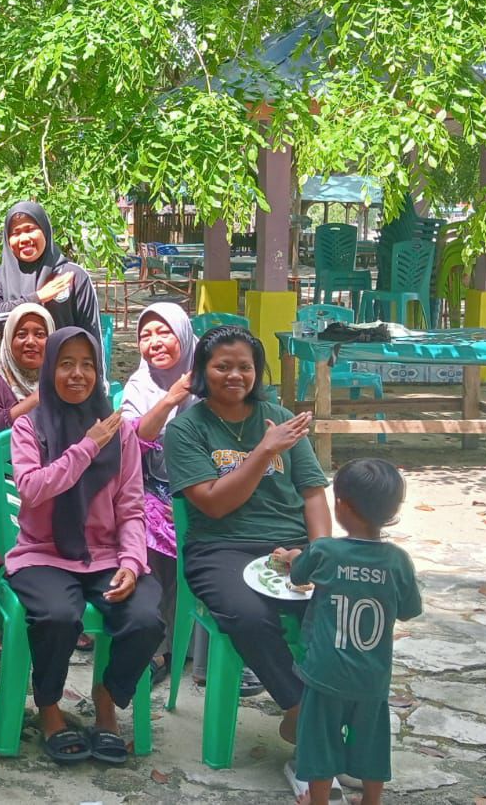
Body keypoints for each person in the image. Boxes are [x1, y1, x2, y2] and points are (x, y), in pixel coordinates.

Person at [163, 325, 330, 744]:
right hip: (220, 547)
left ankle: (337, 705)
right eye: (222, 366)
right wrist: (264, 451)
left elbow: (312, 493)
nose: (234, 375)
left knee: (340, 602)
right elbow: (215, 503)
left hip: (293, 545)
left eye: (245, 367)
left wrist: (321, 552)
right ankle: (300, 708)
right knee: (249, 614)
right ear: (203, 369)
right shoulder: (187, 429)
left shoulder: (281, 418)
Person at [6, 328, 164, 766]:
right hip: (43, 553)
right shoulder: (29, 426)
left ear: (99, 371)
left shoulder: (123, 433)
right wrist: (87, 446)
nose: (78, 374)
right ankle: (50, 706)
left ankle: (107, 696)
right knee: (58, 615)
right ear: (50, 369)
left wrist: (133, 563)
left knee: (147, 616)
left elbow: (132, 507)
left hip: (107, 555)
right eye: (66, 363)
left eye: (88, 364)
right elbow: (32, 489)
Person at [279, 458, 422, 805]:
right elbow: (409, 610)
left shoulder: (326, 551)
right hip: (372, 677)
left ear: (341, 505)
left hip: (325, 672)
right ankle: (372, 801)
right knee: (372, 741)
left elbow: (299, 575)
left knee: (319, 740)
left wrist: (293, 556)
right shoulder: (397, 561)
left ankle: (319, 801)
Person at [116, 302, 199, 685]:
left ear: (182, 333)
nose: (155, 342)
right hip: (153, 486)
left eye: (164, 332)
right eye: (145, 335)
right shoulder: (140, 383)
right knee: (147, 538)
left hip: (204, 485)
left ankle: (202, 650)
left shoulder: (210, 373)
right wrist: (169, 400)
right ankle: (159, 648)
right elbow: (134, 440)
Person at [0, 200, 101, 344]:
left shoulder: (72, 275)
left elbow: (92, 337)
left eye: (30, 230)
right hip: (15, 366)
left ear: (45, 231)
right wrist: (37, 298)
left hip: (62, 364)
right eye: (16, 233)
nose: (24, 239)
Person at [0, 302, 54, 465]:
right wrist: (35, 400)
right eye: (21, 335)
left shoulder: (62, 379)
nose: (30, 342)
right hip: (4, 478)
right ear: (8, 340)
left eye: (40, 334)